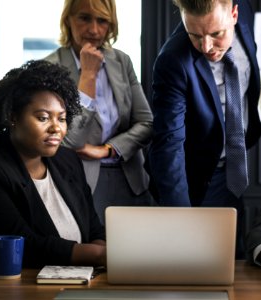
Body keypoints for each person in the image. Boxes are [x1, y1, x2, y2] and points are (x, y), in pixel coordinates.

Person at [0, 60, 106, 268]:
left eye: (62, 118)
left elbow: (93, 229)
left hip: (71, 280)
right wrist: (98, 256)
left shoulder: (68, 161)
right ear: (13, 117)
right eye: (43, 118)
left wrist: (103, 258)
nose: (56, 128)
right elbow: (22, 246)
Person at [146, 0, 261, 258]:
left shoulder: (245, 14)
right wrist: (181, 221)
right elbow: (168, 144)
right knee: (197, 262)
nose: (206, 47)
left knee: (236, 256)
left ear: (234, 14)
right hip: (196, 179)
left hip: (235, 164)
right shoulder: (172, 60)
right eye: (195, 35)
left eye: (216, 34)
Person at [45, 0, 155, 225]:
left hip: (131, 180)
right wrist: (88, 76)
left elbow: (146, 123)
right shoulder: (50, 69)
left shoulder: (121, 61)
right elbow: (69, 141)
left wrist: (107, 150)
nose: (94, 30)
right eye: (84, 18)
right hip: (82, 182)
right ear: (68, 20)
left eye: (102, 20)